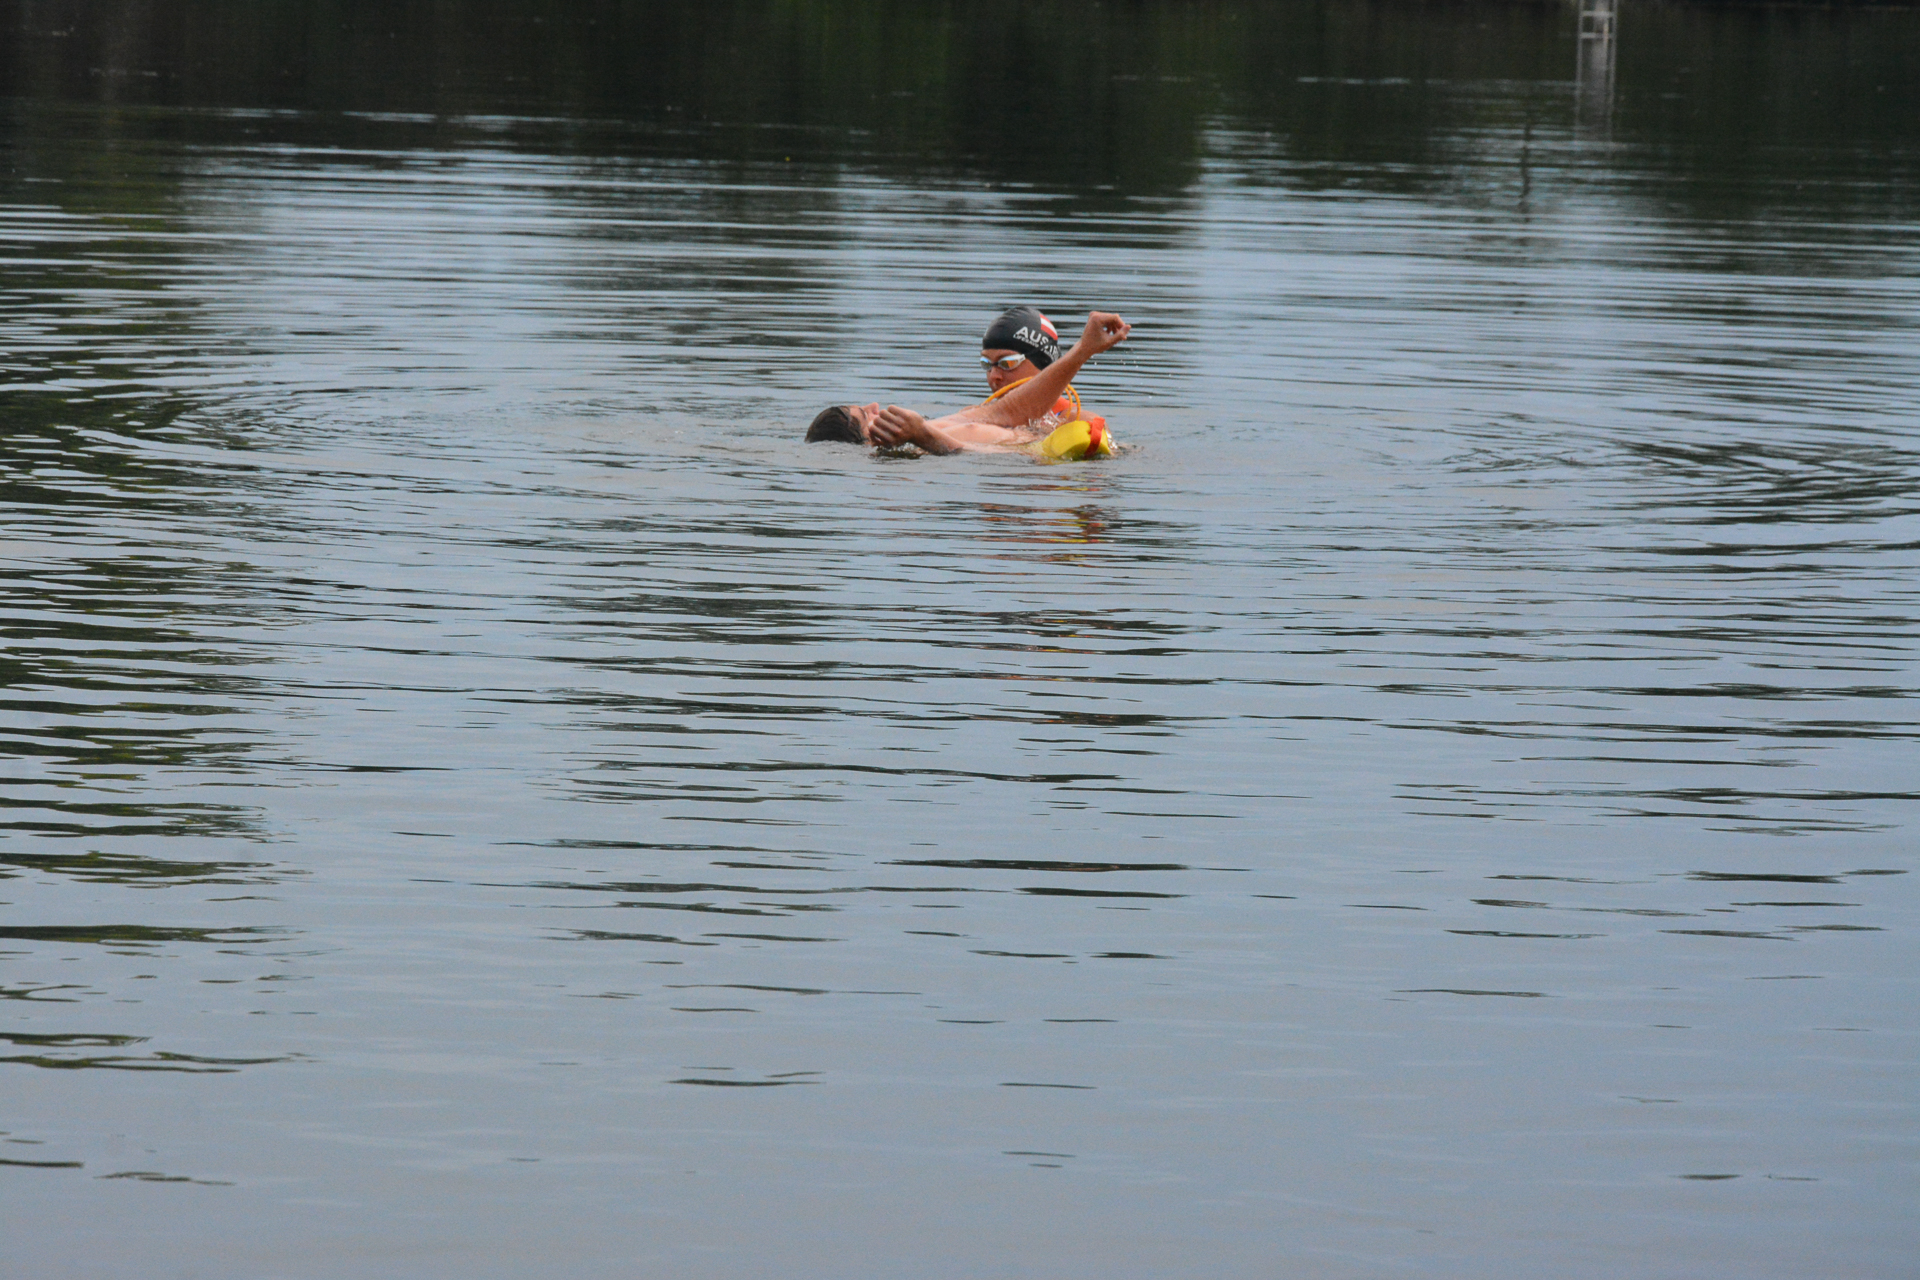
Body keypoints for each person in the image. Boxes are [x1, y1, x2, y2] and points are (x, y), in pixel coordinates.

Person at [805, 311, 1130, 455]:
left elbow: (1001, 415)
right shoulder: (919, 437)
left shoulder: (1075, 420)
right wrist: (1082, 351)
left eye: (1007, 363)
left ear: (1043, 362)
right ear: (866, 440)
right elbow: (994, 427)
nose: (994, 376)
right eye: (865, 415)